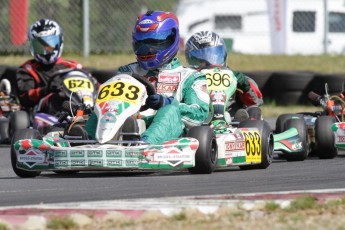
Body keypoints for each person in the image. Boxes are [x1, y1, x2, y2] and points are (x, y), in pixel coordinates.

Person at [85, 10, 209, 144]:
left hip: (168, 131)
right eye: (141, 44)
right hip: (130, 122)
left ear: (171, 40)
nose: (147, 50)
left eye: (154, 43)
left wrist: (168, 102)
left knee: (169, 110)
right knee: (105, 105)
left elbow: (200, 114)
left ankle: (145, 143)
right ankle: (88, 138)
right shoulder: (127, 71)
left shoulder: (190, 77)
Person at [16, 18, 95, 116]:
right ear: (32, 46)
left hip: (77, 104)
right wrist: (46, 90)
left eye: (50, 44)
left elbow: (94, 85)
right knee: (56, 98)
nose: (46, 50)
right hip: (44, 113)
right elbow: (25, 98)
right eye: (40, 45)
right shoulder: (28, 69)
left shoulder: (73, 66)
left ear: (59, 41)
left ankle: (89, 115)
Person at [184, 31, 263, 124]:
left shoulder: (232, 77)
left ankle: (248, 127)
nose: (209, 63)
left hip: (233, 120)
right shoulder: (189, 78)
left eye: (213, 55)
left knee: (254, 110)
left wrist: (246, 86)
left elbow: (257, 101)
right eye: (202, 60)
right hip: (200, 119)